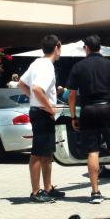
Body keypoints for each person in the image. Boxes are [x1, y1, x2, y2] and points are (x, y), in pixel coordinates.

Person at [67, 34, 110, 204]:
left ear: (86, 48)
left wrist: (73, 116)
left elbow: (71, 95)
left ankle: (95, 193)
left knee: (92, 151)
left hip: (88, 110)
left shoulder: (78, 66)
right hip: (108, 108)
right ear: (99, 47)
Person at [18, 35, 65, 202]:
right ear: (57, 47)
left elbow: (21, 84)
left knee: (47, 152)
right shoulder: (47, 66)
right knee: (38, 152)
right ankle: (36, 192)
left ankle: (47, 188)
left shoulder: (37, 63)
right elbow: (37, 89)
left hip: (37, 110)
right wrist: (48, 107)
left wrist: (35, 100)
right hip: (42, 113)